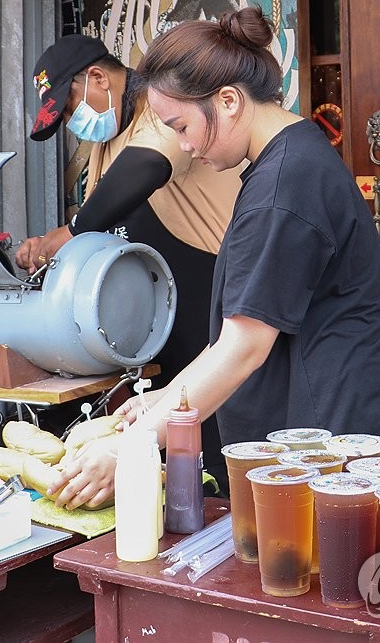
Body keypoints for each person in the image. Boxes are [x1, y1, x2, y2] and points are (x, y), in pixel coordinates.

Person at [50, 7, 380, 510]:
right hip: (317, 436)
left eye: (181, 126)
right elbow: (234, 333)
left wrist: (131, 444)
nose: (183, 145)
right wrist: (163, 398)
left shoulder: (284, 187)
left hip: (330, 446)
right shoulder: (284, 164)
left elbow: (242, 347)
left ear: (229, 101)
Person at [20, 34, 244, 489]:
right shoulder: (106, 140)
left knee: (216, 441)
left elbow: (143, 171)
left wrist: (70, 231)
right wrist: (47, 247)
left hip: (211, 292)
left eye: (68, 108)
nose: (71, 123)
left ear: (99, 77)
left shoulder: (161, 109)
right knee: (174, 449)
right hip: (160, 310)